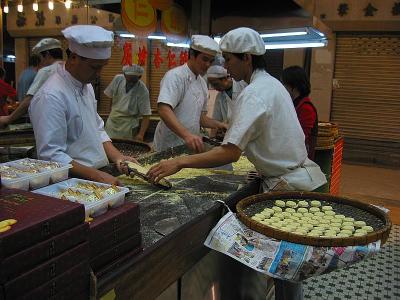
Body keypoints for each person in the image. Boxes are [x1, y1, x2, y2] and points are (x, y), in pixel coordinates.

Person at [146, 27, 327, 300]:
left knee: (285, 267)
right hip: (294, 176)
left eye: (228, 60)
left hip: (286, 185)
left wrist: (180, 162)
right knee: (287, 268)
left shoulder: (255, 93)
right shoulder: (272, 84)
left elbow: (230, 153)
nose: (225, 67)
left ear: (247, 59)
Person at [29, 25, 137, 185]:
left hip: (97, 175)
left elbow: (97, 128)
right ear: (73, 58)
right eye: (95, 67)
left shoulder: (86, 86)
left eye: (102, 66)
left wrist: (117, 157)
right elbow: (51, 154)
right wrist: (97, 176)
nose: (99, 73)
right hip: (71, 183)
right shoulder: (51, 96)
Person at [153, 35, 228, 153]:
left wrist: (218, 124)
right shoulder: (175, 76)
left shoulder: (202, 83)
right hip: (168, 146)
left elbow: (200, 118)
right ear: (192, 55)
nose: (208, 64)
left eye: (211, 61)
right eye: (204, 59)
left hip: (189, 147)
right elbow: (164, 109)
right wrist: (187, 135)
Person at [0, 38, 63, 128]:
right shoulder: (70, 69)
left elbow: (29, 100)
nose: (41, 62)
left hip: (50, 123)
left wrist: (8, 118)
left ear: (48, 55)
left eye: (41, 58)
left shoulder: (46, 71)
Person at [104, 64, 151, 141]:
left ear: (139, 77)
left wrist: (141, 134)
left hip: (128, 125)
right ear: (124, 75)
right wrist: (109, 113)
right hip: (112, 121)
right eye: (129, 79)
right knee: (108, 144)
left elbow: (146, 115)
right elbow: (111, 96)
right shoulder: (118, 79)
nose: (131, 82)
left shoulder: (143, 90)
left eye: (134, 80)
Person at [282, 66, 318, 160]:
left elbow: (300, 138)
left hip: (300, 160)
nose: (282, 88)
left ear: (294, 86)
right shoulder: (292, 103)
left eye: (284, 84)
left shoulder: (306, 108)